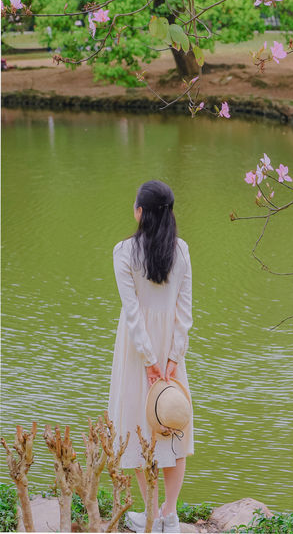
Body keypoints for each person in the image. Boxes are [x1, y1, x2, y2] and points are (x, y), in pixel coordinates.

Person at [108, 180, 194, 533]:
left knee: (139, 426)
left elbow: (133, 313)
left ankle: (153, 513)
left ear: (140, 212)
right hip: (171, 349)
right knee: (173, 426)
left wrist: (149, 361)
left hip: (136, 351)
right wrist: (173, 357)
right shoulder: (182, 251)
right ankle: (168, 516)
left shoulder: (125, 252)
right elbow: (184, 311)